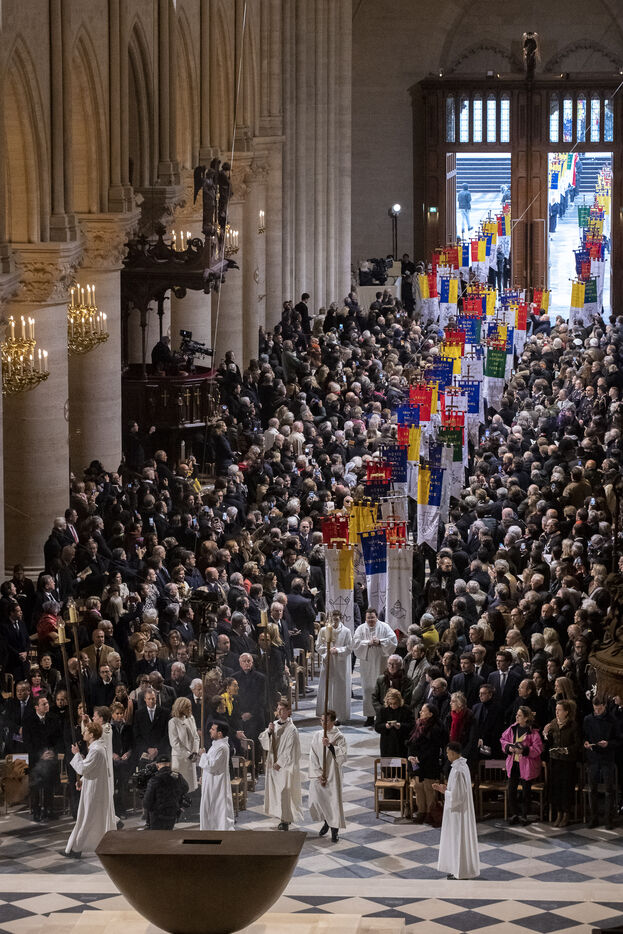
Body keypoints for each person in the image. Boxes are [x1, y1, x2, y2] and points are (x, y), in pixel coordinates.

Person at [64, 721, 115, 858]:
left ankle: (76, 849)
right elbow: (92, 769)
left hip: (94, 790)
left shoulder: (96, 750)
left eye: (85, 731)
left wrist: (76, 754)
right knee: (88, 818)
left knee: (87, 818)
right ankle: (76, 848)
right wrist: (82, 780)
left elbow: (83, 768)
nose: (83, 733)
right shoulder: (97, 748)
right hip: (93, 786)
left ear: (92, 734)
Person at [433, 741, 480, 880]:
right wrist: (446, 789)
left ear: (453, 753)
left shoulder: (458, 770)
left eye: (448, 753)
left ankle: (461, 872)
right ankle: (456, 869)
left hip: (459, 812)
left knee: (458, 839)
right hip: (458, 810)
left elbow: (457, 796)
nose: (447, 755)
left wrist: (444, 792)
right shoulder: (461, 766)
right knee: (456, 840)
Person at [259, 697, 303, 830]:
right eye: (278, 710)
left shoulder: (292, 729)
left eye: (282, 710)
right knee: (277, 793)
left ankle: (285, 820)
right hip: (273, 764)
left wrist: (280, 763)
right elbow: (264, 740)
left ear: (288, 711)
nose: (279, 712)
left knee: (285, 792)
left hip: (286, 766)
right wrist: (269, 732)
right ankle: (283, 817)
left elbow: (290, 749)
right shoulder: (274, 725)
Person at [353, 608, 397, 726]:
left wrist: (380, 642)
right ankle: (370, 717)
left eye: (372, 617)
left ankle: (382, 716)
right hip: (367, 664)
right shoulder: (361, 628)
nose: (370, 620)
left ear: (376, 617)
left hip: (381, 663)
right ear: (365, 618)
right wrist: (368, 643)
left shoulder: (384, 627)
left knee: (382, 689)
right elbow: (355, 643)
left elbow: (393, 640)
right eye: (368, 618)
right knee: (368, 689)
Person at [308, 709, 347, 842]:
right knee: (317, 801)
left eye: (326, 721)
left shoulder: (339, 736)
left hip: (333, 773)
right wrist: (318, 774)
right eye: (322, 720)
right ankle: (326, 821)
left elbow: (343, 756)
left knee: (332, 802)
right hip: (319, 773)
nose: (323, 723)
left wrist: (330, 746)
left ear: (333, 721)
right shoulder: (317, 735)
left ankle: (334, 830)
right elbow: (312, 755)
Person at [500, 706, 543, 825]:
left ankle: (524, 815)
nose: (516, 717)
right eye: (516, 715)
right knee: (511, 790)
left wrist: (524, 750)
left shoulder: (533, 732)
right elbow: (503, 740)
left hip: (526, 765)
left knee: (526, 792)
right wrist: (508, 747)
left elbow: (538, 748)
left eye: (519, 715)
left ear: (526, 718)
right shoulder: (512, 728)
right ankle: (515, 813)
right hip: (513, 763)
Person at [543, 699, 581, 827]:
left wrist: (567, 750)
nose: (557, 712)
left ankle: (566, 814)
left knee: (566, 788)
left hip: (567, 762)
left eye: (559, 710)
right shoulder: (553, 723)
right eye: (556, 710)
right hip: (555, 760)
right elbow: (549, 743)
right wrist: (545, 734)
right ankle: (558, 813)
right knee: (556, 787)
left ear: (566, 712)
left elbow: (577, 744)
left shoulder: (573, 725)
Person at [583, 695, 620, 829]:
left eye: (599, 709)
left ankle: (608, 819)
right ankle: (594, 818)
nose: (597, 711)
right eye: (595, 709)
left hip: (607, 758)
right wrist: (586, 743)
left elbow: (619, 740)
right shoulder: (588, 719)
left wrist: (608, 744)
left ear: (604, 706)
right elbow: (584, 736)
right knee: (592, 789)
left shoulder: (612, 719)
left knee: (609, 790)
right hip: (593, 758)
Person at [407, 703, 446, 824]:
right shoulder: (418, 724)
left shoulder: (436, 728)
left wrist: (420, 758)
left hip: (429, 763)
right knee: (418, 787)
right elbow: (412, 742)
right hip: (416, 763)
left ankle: (430, 813)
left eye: (423, 711)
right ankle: (421, 812)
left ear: (430, 714)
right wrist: (411, 756)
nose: (420, 712)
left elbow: (434, 748)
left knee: (429, 788)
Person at [315, 612, 353, 724]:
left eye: (337, 619)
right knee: (327, 687)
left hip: (341, 664)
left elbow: (350, 647)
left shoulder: (346, 631)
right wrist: (327, 650)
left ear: (340, 619)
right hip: (328, 662)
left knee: (339, 689)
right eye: (333, 619)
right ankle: (326, 714)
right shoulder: (323, 630)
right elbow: (318, 646)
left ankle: (339, 715)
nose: (335, 621)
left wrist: (338, 650)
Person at [198, 721, 235, 831]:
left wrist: (203, 755)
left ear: (220, 733)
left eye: (213, 729)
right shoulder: (216, 745)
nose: (210, 730)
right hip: (210, 783)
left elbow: (212, 766)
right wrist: (204, 777)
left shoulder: (222, 748)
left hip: (217, 785)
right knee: (210, 810)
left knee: (219, 811)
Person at [143, 753, 190, 830]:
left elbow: (146, 803)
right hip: (172, 813)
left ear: (157, 765)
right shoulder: (178, 776)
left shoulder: (154, 780)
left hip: (157, 816)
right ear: (169, 764)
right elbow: (186, 788)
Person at [168, 696, 200, 793]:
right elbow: (174, 742)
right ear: (181, 708)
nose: (190, 709)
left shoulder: (191, 718)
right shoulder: (173, 722)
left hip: (191, 758)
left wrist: (195, 752)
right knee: (179, 788)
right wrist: (188, 755)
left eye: (190, 707)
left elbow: (196, 737)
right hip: (180, 759)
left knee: (190, 788)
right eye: (187, 707)